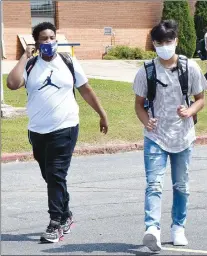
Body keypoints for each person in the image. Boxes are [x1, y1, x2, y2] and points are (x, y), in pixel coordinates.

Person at [7, 22, 108, 243]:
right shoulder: (31, 65)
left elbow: (85, 89)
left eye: (52, 37)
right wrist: (24, 56)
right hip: (37, 131)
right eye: (44, 38)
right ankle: (66, 215)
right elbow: (12, 83)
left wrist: (102, 114)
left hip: (65, 127)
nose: (49, 42)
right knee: (51, 177)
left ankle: (55, 223)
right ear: (36, 42)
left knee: (55, 174)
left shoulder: (68, 62)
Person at [133, 20, 207, 252]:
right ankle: (152, 229)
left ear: (175, 41)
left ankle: (178, 228)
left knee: (181, 185)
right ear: (153, 44)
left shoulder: (190, 68)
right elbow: (138, 105)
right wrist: (148, 121)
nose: (164, 46)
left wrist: (189, 111)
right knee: (154, 184)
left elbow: (201, 100)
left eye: (168, 41)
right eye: (159, 42)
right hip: (156, 136)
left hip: (183, 136)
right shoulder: (146, 71)